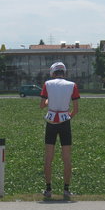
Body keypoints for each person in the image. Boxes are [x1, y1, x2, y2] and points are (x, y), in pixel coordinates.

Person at [40, 62, 80, 198]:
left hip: (51, 121)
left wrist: (48, 102)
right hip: (65, 122)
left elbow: (41, 105)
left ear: (52, 73)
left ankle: (48, 189)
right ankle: (66, 189)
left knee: (48, 157)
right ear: (64, 72)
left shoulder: (47, 84)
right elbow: (76, 109)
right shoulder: (72, 85)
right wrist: (68, 117)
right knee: (67, 158)